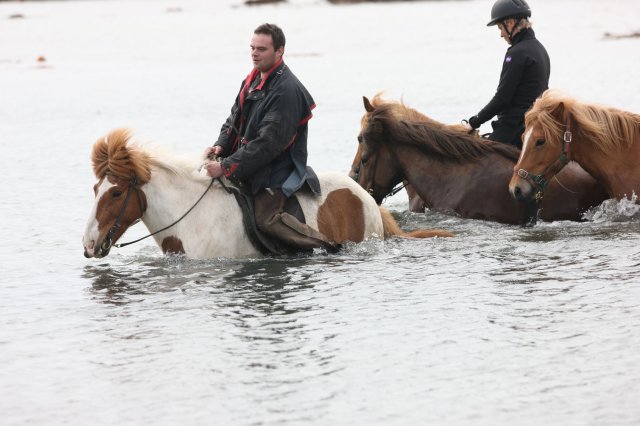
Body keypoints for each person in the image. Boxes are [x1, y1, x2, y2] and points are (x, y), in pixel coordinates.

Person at [203, 23, 338, 253]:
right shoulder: (251, 80)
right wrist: (220, 146)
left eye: (262, 49)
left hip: (277, 169)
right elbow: (233, 118)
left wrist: (225, 167)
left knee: (266, 219)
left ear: (279, 51)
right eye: (252, 48)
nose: (255, 53)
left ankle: (328, 248)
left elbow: (267, 145)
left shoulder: (286, 90)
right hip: (250, 162)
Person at [464, 0, 550, 148]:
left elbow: (502, 98)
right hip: (531, 125)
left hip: (513, 130)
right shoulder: (540, 48)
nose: (501, 34)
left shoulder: (517, 53)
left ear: (510, 23)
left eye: (500, 28)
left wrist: (473, 122)